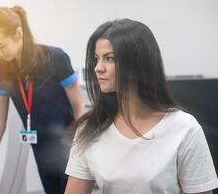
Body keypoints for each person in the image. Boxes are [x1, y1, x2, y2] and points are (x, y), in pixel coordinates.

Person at [64, 18, 218, 194]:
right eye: (97, 59)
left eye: (110, 58)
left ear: (138, 62)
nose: (98, 68)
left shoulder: (184, 128)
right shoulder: (89, 129)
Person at [0, 5, 86, 194]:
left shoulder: (55, 58)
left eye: (1, 46)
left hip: (69, 151)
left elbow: (80, 110)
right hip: (41, 153)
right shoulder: (3, 69)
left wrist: (81, 153)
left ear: (18, 34)